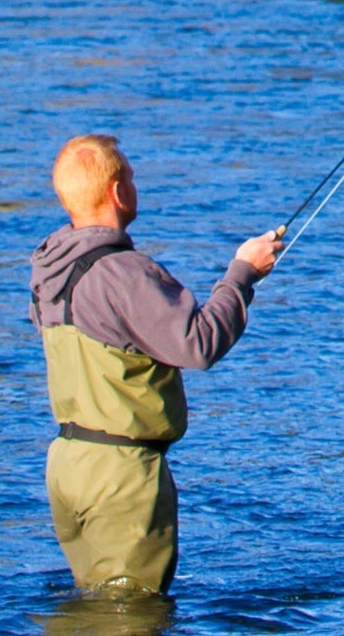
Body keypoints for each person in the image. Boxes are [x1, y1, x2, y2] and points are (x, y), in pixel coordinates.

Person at [27, 134, 282, 595]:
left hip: (69, 464)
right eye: (131, 176)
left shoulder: (50, 269)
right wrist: (242, 275)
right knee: (132, 624)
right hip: (120, 477)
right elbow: (199, 344)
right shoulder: (123, 274)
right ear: (119, 192)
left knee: (93, 616)